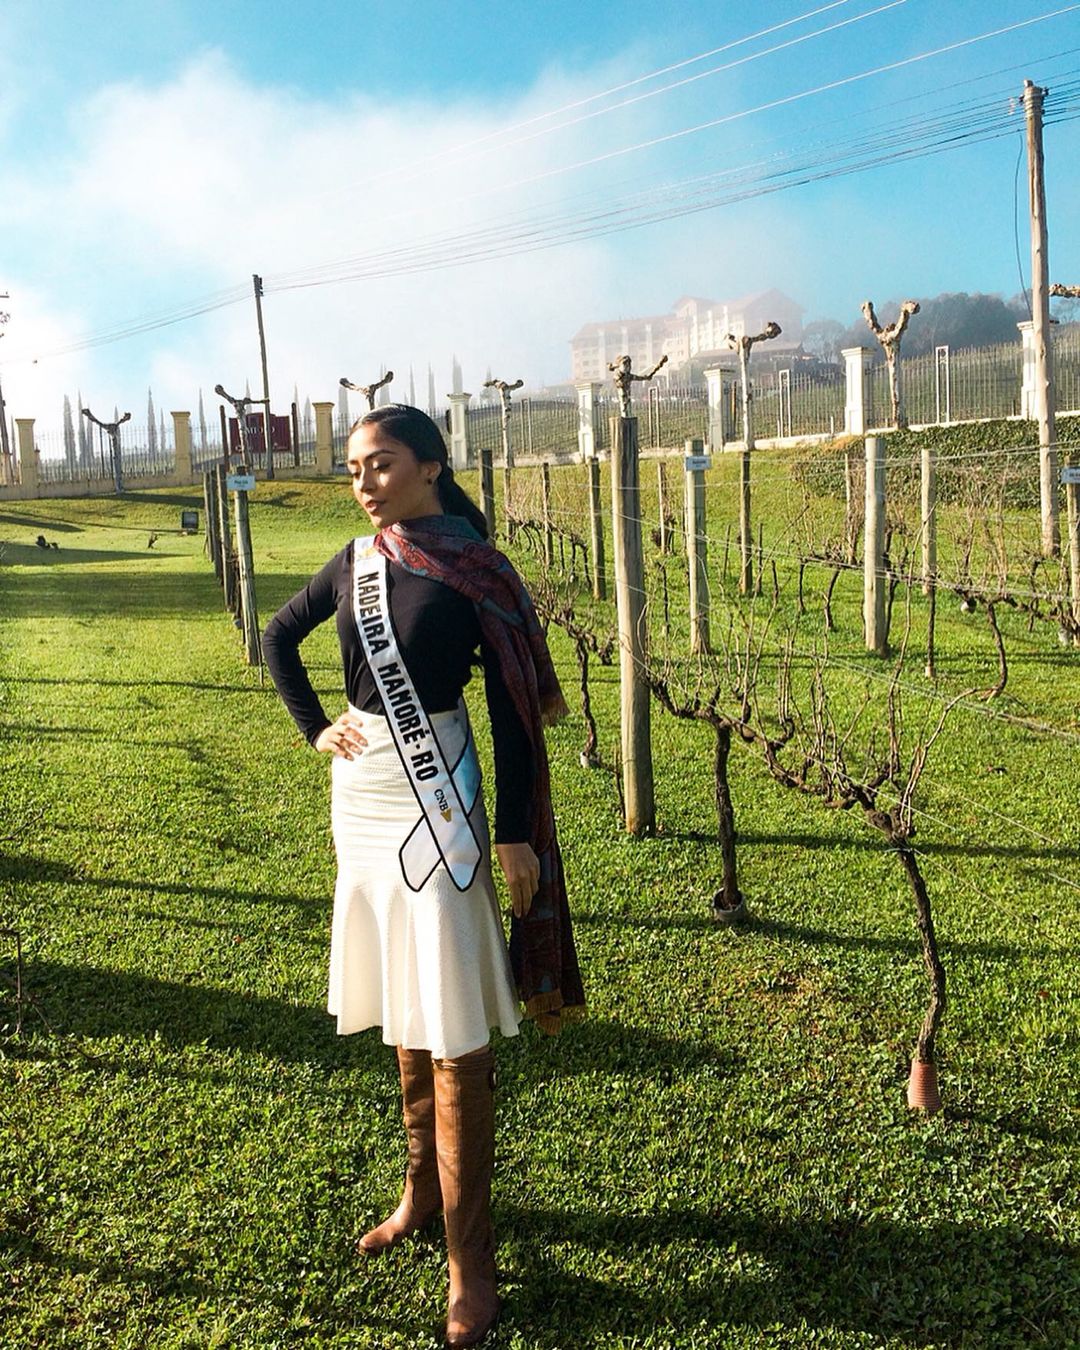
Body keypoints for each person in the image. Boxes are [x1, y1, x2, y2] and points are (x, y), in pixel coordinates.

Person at [262, 404, 584, 1347]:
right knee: (402, 1003)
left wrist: (519, 835)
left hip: (439, 799)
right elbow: (280, 638)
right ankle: (418, 1190)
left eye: (382, 464)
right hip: (362, 801)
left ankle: (468, 1261)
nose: (364, 482)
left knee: (449, 1019)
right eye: (355, 469)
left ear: (432, 466)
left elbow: (519, 711)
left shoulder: (478, 570)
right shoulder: (353, 564)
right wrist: (314, 725)